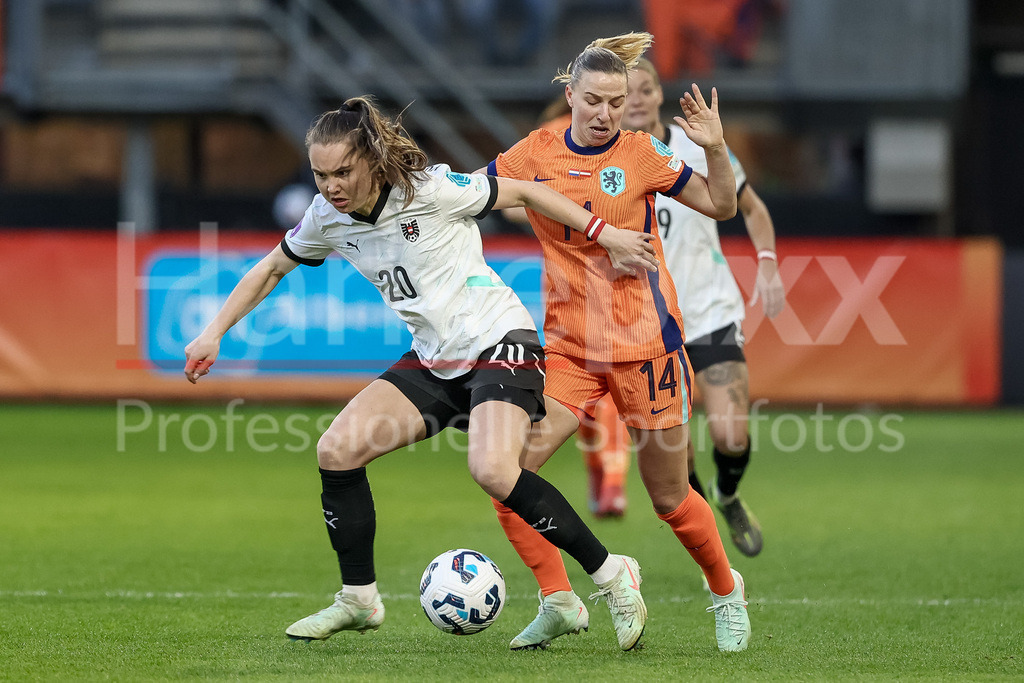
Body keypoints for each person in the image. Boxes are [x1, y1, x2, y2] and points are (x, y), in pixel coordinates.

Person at [183, 96, 659, 645]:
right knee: (336, 451)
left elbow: (526, 191)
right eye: (320, 175)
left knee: (493, 470)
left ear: (370, 160)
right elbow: (271, 268)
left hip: (499, 339)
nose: (332, 186)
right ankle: (359, 599)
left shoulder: (428, 190)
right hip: (435, 358)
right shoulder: (326, 217)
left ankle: (612, 574)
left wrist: (605, 233)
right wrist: (214, 332)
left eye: (343, 172)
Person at [478, 32, 752, 653]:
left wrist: (714, 148)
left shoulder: (642, 152)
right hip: (570, 350)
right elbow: (474, 192)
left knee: (670, 499)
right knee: (506, 474)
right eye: (594, 100)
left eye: (616, 101)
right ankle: (558, 600)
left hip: (646, 347)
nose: (605, 113)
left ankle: (725, 590)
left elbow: (722, 205)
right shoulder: (537, 150)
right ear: (570, 94)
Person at [582, 57, 785, 559]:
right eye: (625, 92)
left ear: (659, 96)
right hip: (649, 325)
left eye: (645, 89)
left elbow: (750, 208)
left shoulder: (695, 146)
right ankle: (707, 538)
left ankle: (728, 494)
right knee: (678, 457)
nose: (636, 99)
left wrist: (767, 263)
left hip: (710, 311)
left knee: (731, 435)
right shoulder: (601, 161)